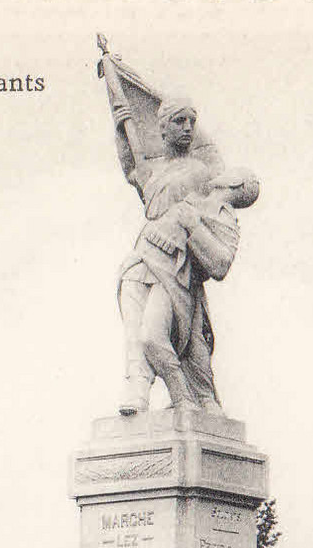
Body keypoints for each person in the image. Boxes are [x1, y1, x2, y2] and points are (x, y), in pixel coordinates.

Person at [107, 89, 258, 416]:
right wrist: (122, 129)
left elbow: (209, 226)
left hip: (173, 264)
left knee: (156, 336)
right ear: (162, 129)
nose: (188, 127)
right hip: (140, 258)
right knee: (134, 334)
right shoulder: (155, 170)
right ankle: (138, 390)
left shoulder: (200, 173)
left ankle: (186, 398)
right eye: (180, 121)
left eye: (192, 121)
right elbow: (136, 174)